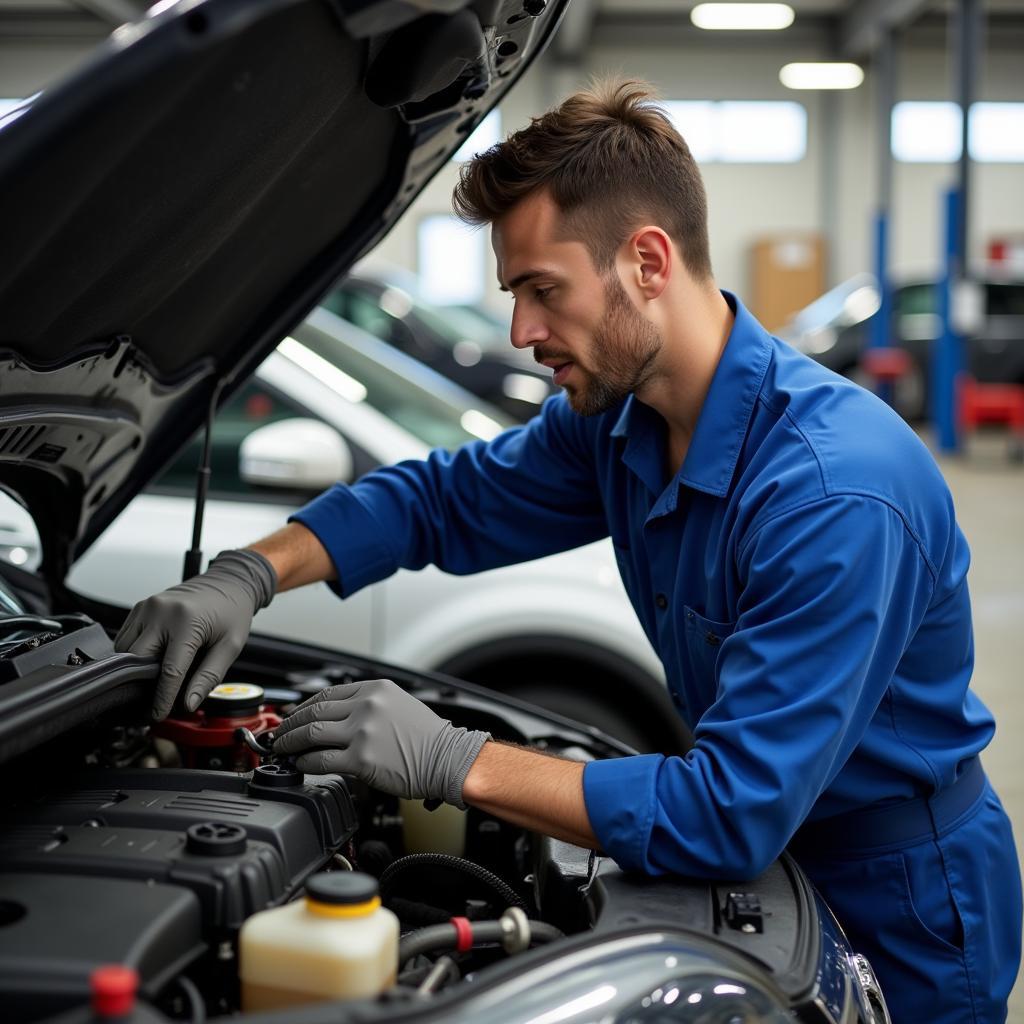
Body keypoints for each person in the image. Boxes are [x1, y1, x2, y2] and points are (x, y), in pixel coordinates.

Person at [115, 80, 1021, 1022]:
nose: (522, 333)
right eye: (514, 295)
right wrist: (253, 571)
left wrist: (458, 758)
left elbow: (728, 811)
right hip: (779, 860)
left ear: (647, 261)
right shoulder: (621, 423)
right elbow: (441, 499)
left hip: (901, 902)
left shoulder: (835, 493)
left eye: (543, 291)